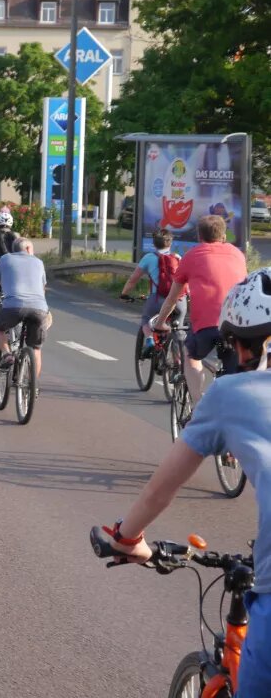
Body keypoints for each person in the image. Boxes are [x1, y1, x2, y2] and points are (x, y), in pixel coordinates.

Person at [102, 268, 271, 697]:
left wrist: (127, 539)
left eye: (234, 344)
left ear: (253, 343)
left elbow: (160, 489)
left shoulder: (234, 393)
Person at [154, 215, 247, 402]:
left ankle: (198, 405)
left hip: (207, 328)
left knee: (191, 357)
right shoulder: (237, 254)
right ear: (223, 235)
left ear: (199, 235)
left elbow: (173, 298)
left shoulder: (191, 256)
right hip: (235, 327)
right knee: (231, 369)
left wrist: (160, 322)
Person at [120, 228, 186, 356]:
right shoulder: (178, 258)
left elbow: (133, 280)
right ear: (170, 243)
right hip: (179, 300)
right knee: (178, 328)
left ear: (154, 243)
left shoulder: (149, 258)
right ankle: (178, 362)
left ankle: (150, 340)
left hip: (158, 299)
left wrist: (124, 294)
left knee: (146, 320)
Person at [0, 238, 48, 382]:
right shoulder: (38, 262)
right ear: (28, 249)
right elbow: (42, 290)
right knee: (35, 348)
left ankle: (6, 354)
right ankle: (31, 388)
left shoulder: (5, 259)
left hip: (13, 306)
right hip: (39, 308)